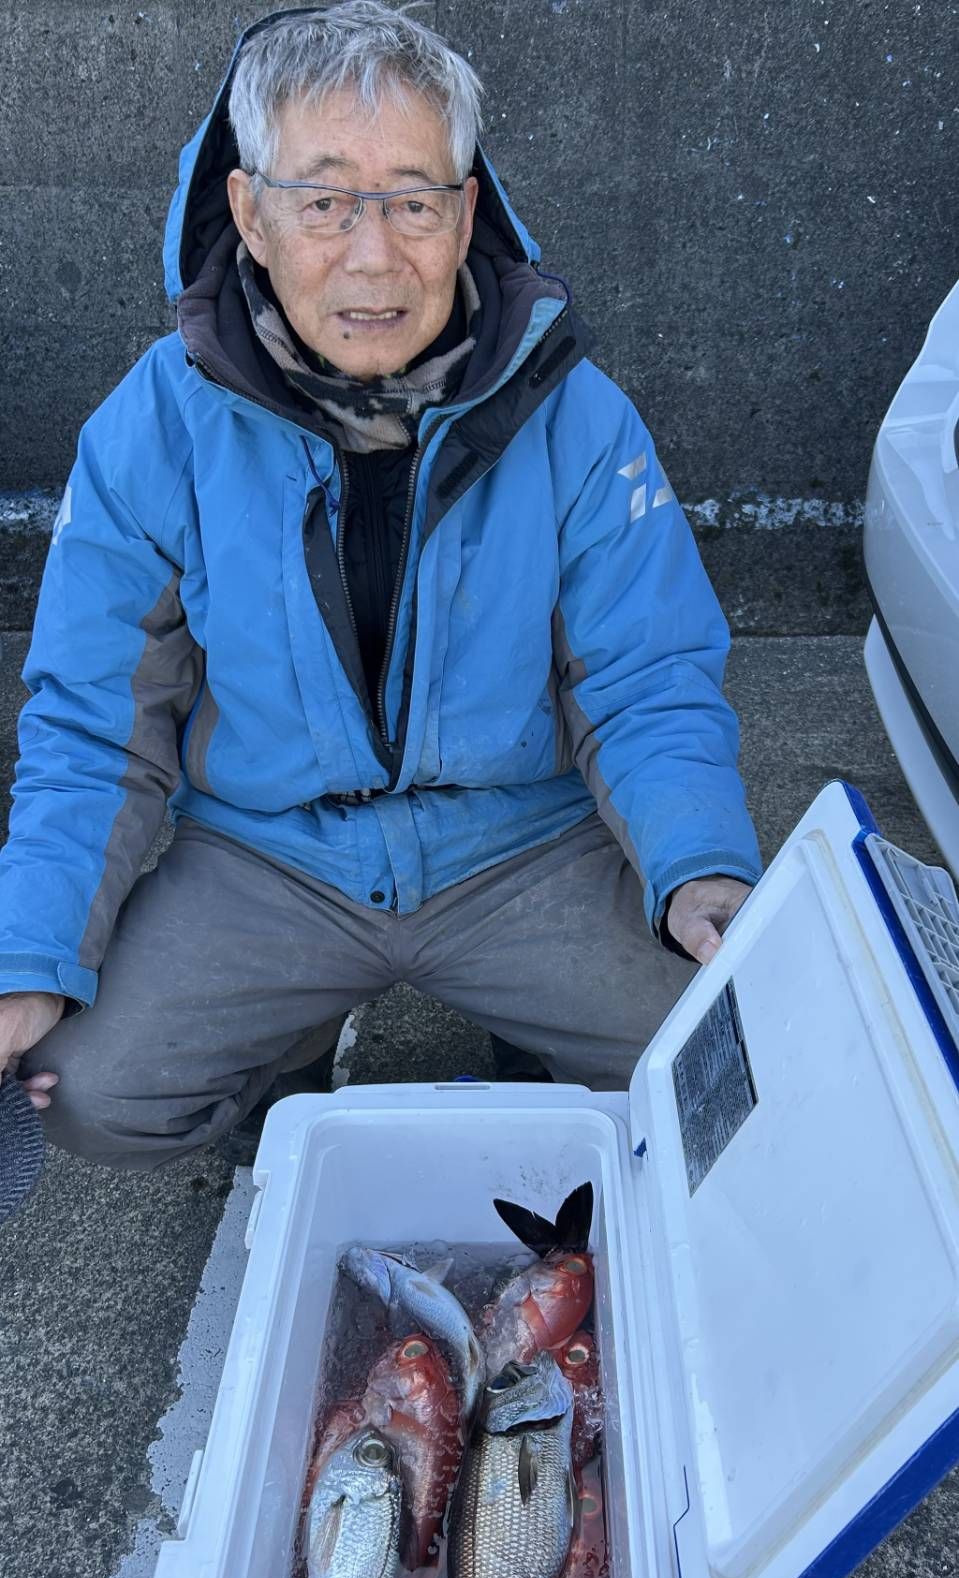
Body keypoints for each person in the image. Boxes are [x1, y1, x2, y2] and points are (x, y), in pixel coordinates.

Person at [0, 2, 761, 1169]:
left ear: (465, 214)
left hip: (524, 848)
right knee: (90, 1092)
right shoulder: (151, 426)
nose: (372, 257)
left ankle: (530, 1024)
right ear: (249, 214)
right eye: (322, 202)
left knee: (740, 1055)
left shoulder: (575, 412)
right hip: (272, 856)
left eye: (413, 201)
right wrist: (30, 952)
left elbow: (646, 676)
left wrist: (696, 865)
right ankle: (288, 1041)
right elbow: (97, 723)